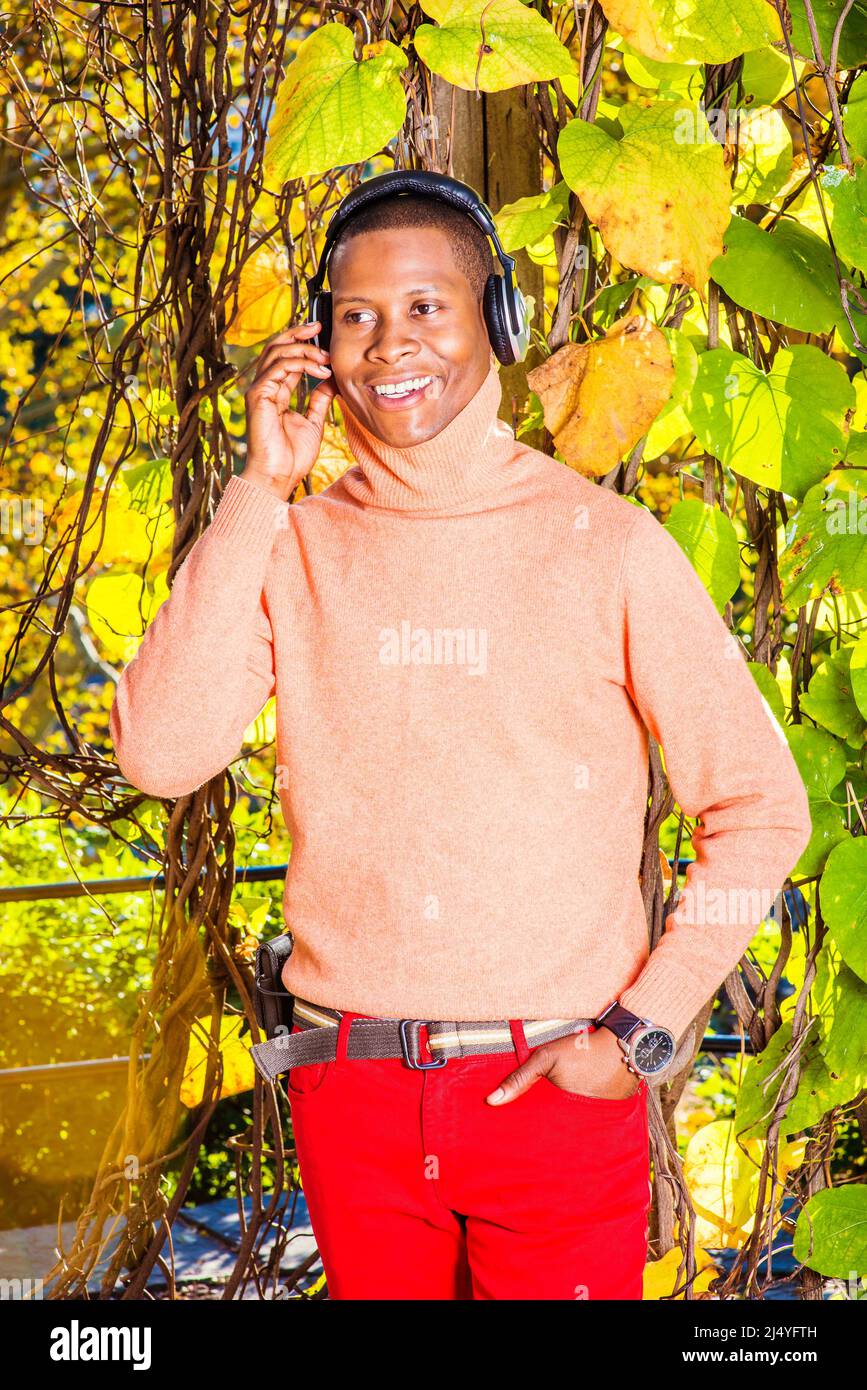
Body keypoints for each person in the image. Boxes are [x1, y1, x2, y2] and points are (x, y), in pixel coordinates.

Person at [109, 173, 813, 1301]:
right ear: (319, 343)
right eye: (356, 316)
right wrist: (258, 490)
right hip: (354, 1099)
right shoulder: (288, 549)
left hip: (556, 1088)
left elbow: (763, 810)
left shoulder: (608, 546)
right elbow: (159, 751)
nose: (392, 345)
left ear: (497, 319)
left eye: (428, 306)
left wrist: (641, 1028)